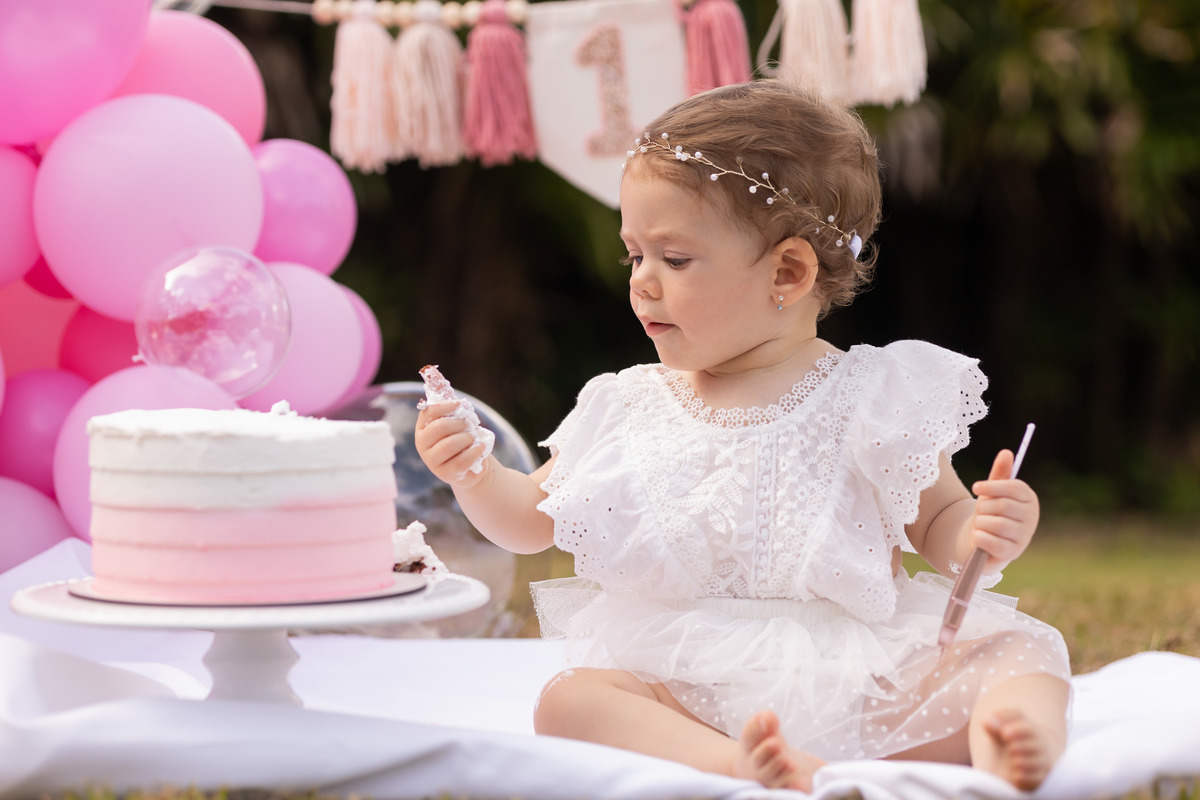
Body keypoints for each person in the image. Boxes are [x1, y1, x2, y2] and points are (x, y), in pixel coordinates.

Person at [415, 80, 1071, 793]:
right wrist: (473, 472)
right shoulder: (630, 404)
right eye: (634, 256)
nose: (643, 282)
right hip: (685, 687)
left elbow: (939, 522)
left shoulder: (869, 396)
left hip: (857, 677)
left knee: (1017, 655)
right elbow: (526, 522)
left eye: (674, 259)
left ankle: (1010, 739)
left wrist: (982, 531)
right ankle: (741, 764)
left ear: (787, 272)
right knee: (571, 700)